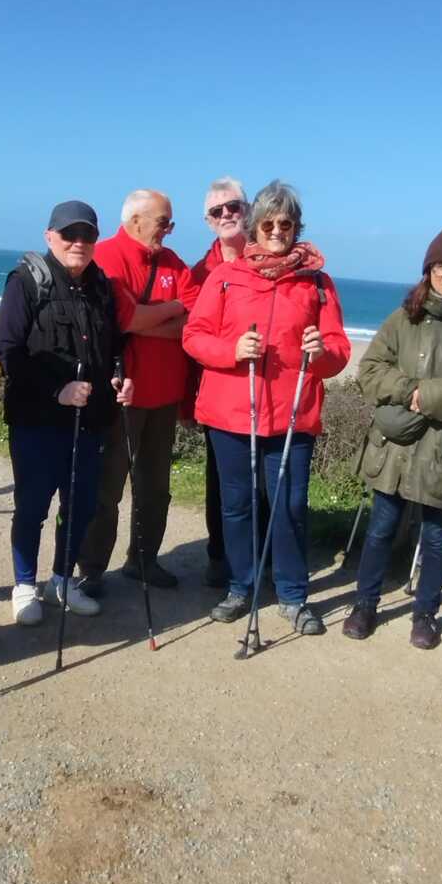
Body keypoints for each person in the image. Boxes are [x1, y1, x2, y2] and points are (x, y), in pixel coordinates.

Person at [183, 179, 351, 635]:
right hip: (231, 415)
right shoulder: (225, 277)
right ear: (255, 227)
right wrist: (232, 350)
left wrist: (321, 352)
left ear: (297, 228)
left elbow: (338, 349)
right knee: (236, 506)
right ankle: (241, 585)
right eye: (269, 224)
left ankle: (293, 594)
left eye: (287, 224)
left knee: (290, 506)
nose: (278, 231)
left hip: (292, 416)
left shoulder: (317, 283)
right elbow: (194, 337)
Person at [343, 226, 442, 649]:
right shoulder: (404, 319)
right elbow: (370, 369)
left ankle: (425, 614)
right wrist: (407, 391)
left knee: (436, 538)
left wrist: (427, 396)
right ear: (428, 272)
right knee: (381, 530)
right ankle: (365, 604)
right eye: (441, 267)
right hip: (397, 449)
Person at [0, 201, 134, 625]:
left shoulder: (101, 286)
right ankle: (24, 585)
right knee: (33, 506)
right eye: (69, 234)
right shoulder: (26, 281)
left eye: (87, 235)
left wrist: (120, 377)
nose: (78, 242)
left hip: (90, 422)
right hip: (37, 421)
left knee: (81, 506)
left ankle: (61, 580)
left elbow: (115, 347)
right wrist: (57, 391)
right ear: (49, 236)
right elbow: (8, 351)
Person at [77, 189, 199, 594]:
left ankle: (143, 561)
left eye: (170, 223)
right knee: (107, 488)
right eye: (163, 222)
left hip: (165, 394)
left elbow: (198, 316)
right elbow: (125, 318)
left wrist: (149, 320)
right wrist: (173, 309)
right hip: (121, 395)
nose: (168, 230)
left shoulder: (173, 262)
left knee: (155, 488)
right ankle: (91, 569)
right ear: (135, 220)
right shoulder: (108, 256)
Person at [189, 176, 249, 588]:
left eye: (233, 207)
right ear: (208, 220)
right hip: (216, 392)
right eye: (217, 210)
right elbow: (192, 335)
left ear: (248, 210)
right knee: (220, 480)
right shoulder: (200, 273)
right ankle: (219, 554)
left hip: (265, 389)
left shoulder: (269, 260)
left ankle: (258, 556)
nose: (226, 214)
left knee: (262, 483)